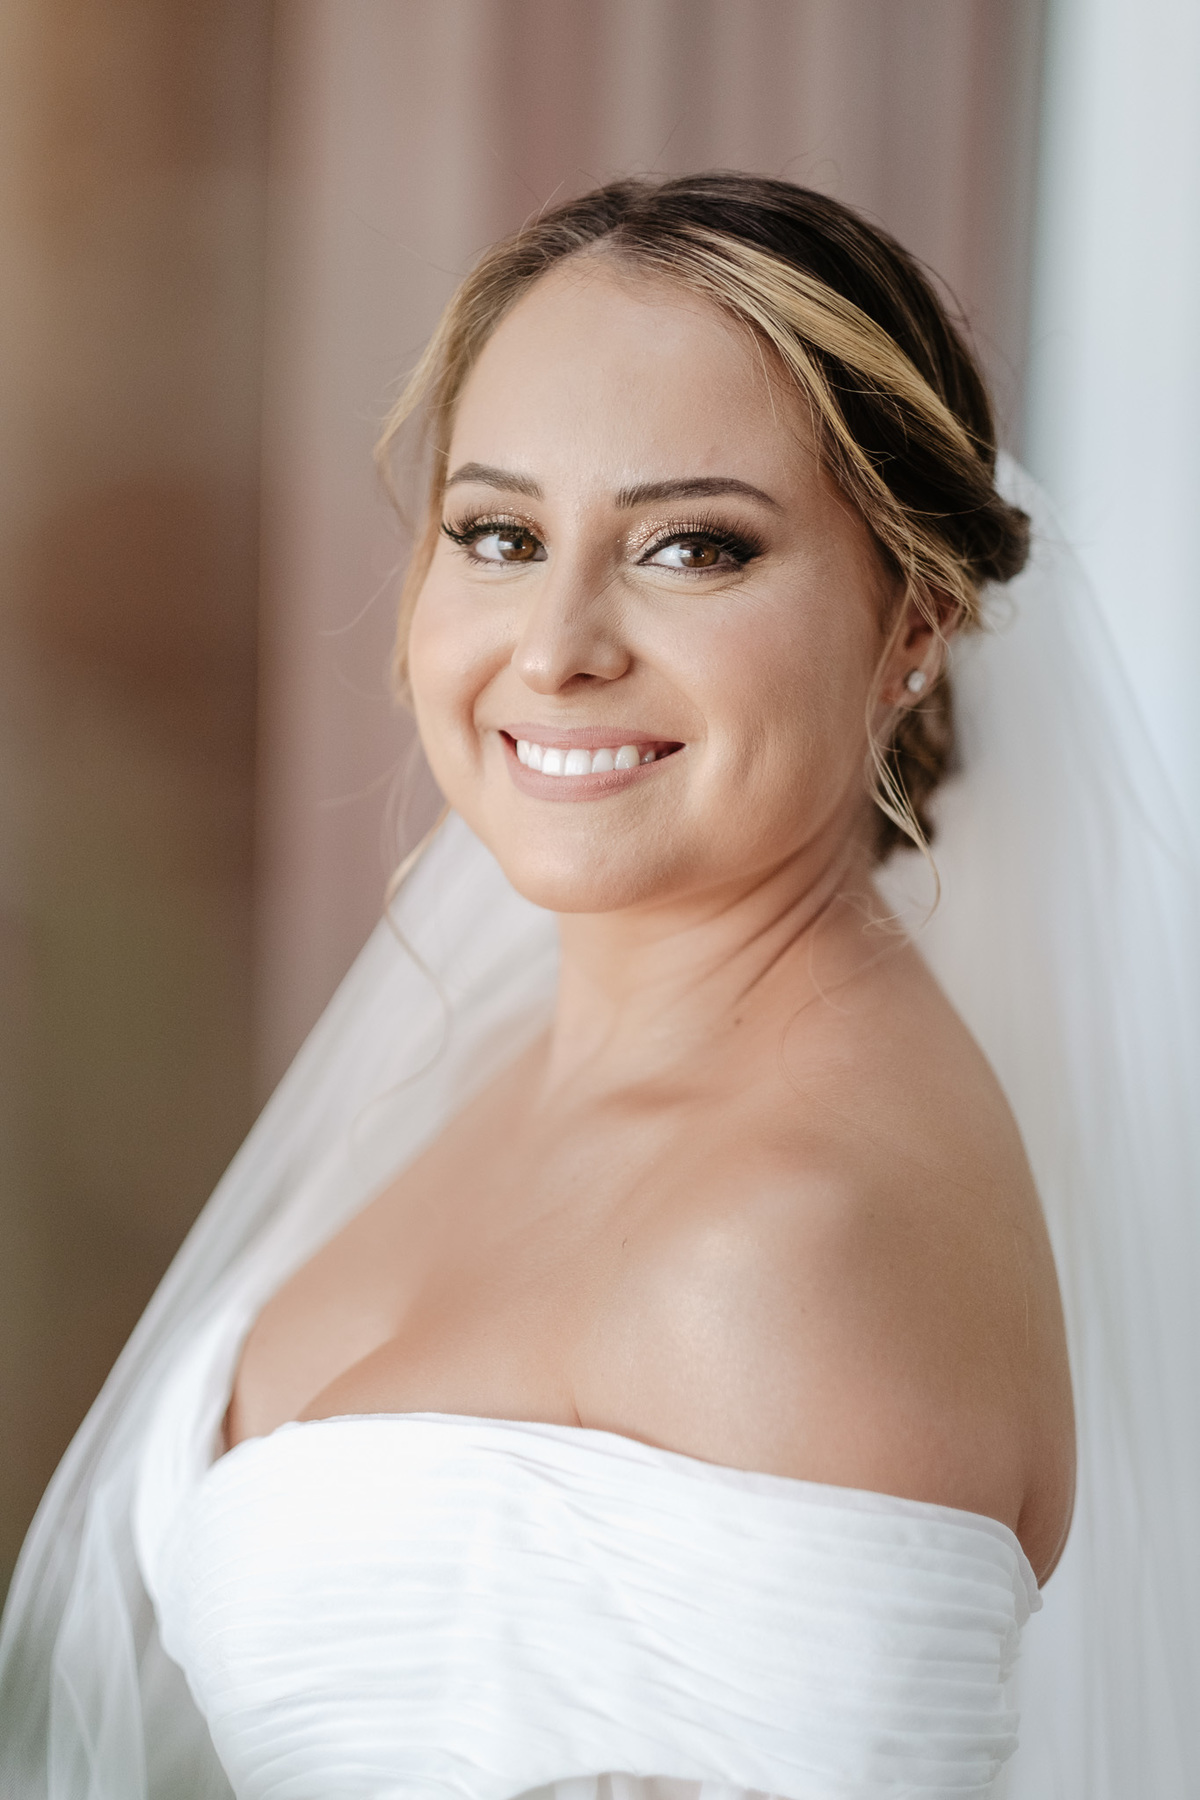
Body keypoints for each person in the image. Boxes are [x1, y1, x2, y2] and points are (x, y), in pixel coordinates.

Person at [1, 174, 1197, 1800]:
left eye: (693, 547)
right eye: (499, 535)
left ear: (913, 619)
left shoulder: (791, 1245)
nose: (556, 644)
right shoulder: (519, 1053)